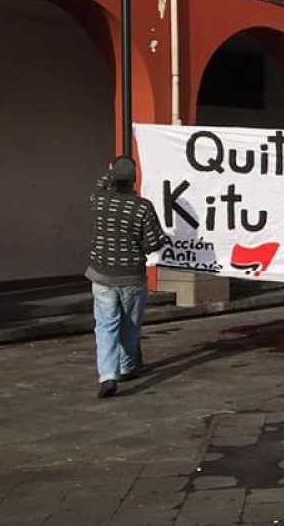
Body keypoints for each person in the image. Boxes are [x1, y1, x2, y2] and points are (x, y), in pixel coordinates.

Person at [86, 156, 169, 398]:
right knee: (130, 325)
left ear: (111, 177)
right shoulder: (142, 206)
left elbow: (98, 187)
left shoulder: (99, 201)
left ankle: (107, 375)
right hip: (132, 275)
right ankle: (126, 366)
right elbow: (154, 243)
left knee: (105, 326)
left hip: (102, 275)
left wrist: (110, 170)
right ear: (134, 180)